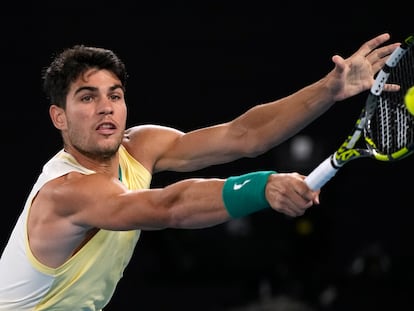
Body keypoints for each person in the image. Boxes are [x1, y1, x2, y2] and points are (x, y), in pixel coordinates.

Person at [0, 32, 400, 311]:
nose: (106, 107)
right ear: (59, 117)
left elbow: (244, 135)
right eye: (87, 97)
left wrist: (328, 89)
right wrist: (262, 187)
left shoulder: (140, 146)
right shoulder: (65, 192)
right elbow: (170, 206)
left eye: (115, 95)